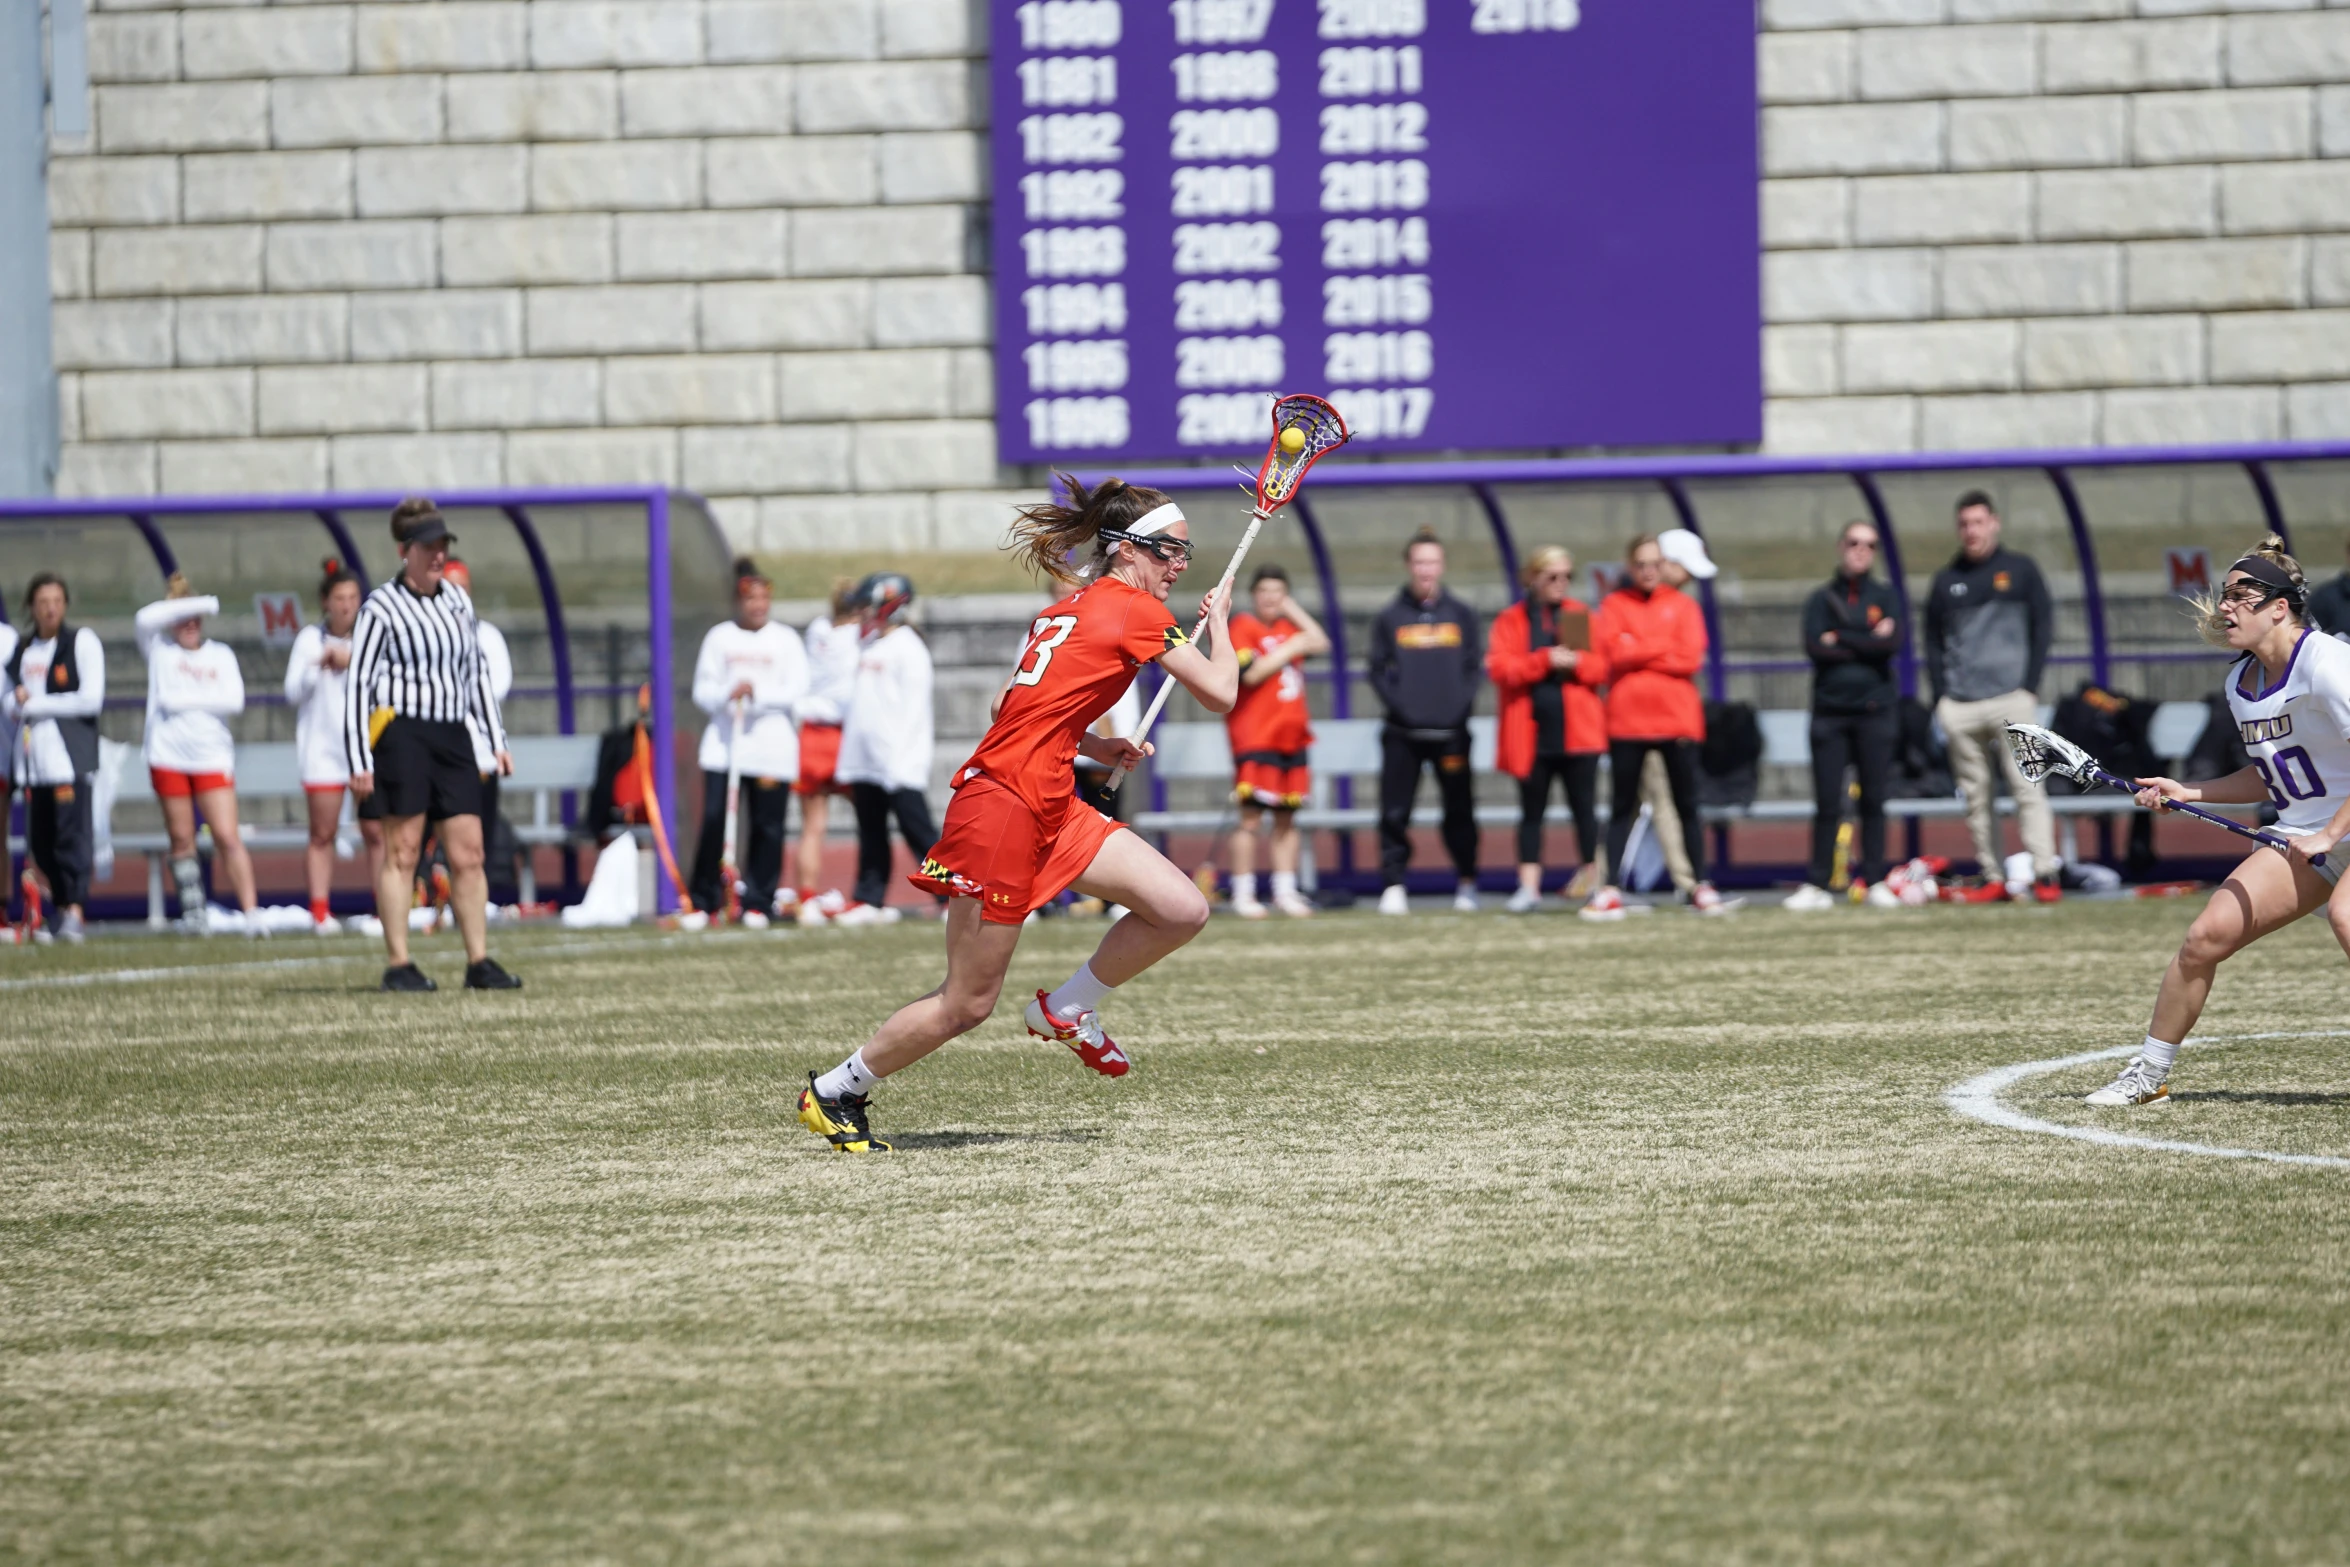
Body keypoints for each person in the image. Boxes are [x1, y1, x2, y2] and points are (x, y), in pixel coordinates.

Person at [796, 477, 1239, 1153]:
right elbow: (1222, 692)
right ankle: (836, 1089)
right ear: (1125, 552)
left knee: (1181, 908)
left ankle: (1065, 1005)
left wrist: (1093, 743)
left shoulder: (1067, 609)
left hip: (1052, 798)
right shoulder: (1136, 611)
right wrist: (1224, 622)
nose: (1179, 566)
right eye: (1167, 552)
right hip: (1003, 805)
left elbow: (1009, 704)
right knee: (966, 1003)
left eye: (1185, 553)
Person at [2091, 538, 2350, 1106]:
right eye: (2224, 594)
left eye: (2240, 595)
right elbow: (2272, 775)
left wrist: (2331, 836)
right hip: (2309, 833)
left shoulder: (2328, 661)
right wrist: (2188, 790)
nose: (2224, 606)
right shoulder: (2241, 684)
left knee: (2347, 915)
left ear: (2279, 607)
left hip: (2331, 831)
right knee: (2205, 938)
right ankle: (2148, 1077)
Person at [345, 497, 520, 992]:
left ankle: (478, 961)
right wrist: (359, 758)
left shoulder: (457, 601)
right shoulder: (381, 607)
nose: (438, 555)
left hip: (452, 735)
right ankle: (399, 962)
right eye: (429, 546)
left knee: (469, 852)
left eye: (443, 545)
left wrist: (494, 737)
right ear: (407, 550)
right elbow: (359, 684)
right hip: (402, 734)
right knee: (402, 851)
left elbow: (475, 673)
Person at [1583, 535, 1729, 919]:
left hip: (1674, 720)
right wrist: (1657, 648)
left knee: (1684, 805)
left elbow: (1688, 657)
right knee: (1620, 806)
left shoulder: (1683, 606)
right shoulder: (1612, 605)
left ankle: (1698, 884)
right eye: (1641, 564)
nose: (1649, 571)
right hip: (1624, 722)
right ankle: (1606, 885)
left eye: (1655, 563)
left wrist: (1639, 648)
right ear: (1629, 566)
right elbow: (1610, 651)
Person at [1926, 490, 2059, 903]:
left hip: (2011, 699)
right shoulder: (1946, 581)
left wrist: (2029, 686)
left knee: (2027, 789)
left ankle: (2045, 873)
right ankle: (1992, 874)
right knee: (1975, 796)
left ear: (1994, 523)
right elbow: (1931, 643)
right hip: (1961, 705)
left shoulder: (2020, 570)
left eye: (1978, 522)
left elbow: (2043, 626)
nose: (1972, 531)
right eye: (1964, 524)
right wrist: (1941, 698)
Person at [1787, 521, 1905, 912]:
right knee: (1827, 802)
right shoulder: (1821, 599)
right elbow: (1815, 648)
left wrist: (1842, 636)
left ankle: (1873, 879)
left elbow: (1891, 645)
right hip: (1830, 714)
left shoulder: (1886, 596)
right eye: (1854, 543)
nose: (1861, 551)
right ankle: (1818, 883)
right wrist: (1867, 637)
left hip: (1875, 712)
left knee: (1874, 799)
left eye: (1869, 545)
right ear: (1841, 546)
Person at [135, 577, 261, 934]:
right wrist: (193, 603)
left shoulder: (220, 654)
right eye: (183, 616)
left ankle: (251, 913)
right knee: (181, 837)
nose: (190, 624)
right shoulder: (160, 649)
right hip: (168, 756)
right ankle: (194, 914)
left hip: (211, 756)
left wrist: (179, 701)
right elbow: (144, 619)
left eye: (197, 617)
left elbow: (234, 700)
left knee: (226, 834)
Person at [1487, 547, 1609, 914]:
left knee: (1584, 810)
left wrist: (1577, 662)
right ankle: (1529, 887)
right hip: (1531, 733)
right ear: (1533, 578)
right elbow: (1501, 669)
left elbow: (1600, 668)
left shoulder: (1577, 615)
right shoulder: (1513, 620)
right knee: (1531, 812)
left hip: (1579, 733)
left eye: (1566, 577)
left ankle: (1593, 880)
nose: (1560, 584)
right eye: (1552, 577)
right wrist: (1543, 660)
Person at [1368, 528, 1482, 916]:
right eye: (1419, 562)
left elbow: (1473, 668)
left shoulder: (1462, 613)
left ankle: (1467, 883)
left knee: (1460, 812)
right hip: (1404, 734)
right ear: (1408, 566)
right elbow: (1377, 670)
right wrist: (1402, 707)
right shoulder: (1391, 615)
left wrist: (1457, 707)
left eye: (1432, 562)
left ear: (1442, 565)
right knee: (1395, 812)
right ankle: (1394, 885)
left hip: (1452, 734)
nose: (1426, 570)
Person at [688, 558, 807, 926]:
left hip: (770, 748)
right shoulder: (719, 637)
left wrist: (759, 693)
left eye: (763, 599)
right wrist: (729, 692)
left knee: (767, 826)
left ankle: (759, 899)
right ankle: (704, 900)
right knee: (713, 821)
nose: (757, 606)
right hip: (726, 747)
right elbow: (702, 691)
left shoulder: (785, 639)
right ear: (738, 602)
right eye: (750, 599)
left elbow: (797, 688)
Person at [2, 574, 104, 943]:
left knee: (70, 838)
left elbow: (90, 699)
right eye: (43, 601)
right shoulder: (25, 648)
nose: (50, 609)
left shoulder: (81, 642)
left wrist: (36, 704)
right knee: (40, 842)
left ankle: (75, 909)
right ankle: (57, 912)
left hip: (68, 760)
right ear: (32, 606)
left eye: (57, 601)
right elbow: (11, 701)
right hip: (33, 763)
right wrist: (22, 705)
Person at [1224, 564, 1329, 919]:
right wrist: (1289, 649)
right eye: (1265, 591)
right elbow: (1251, 673)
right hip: (1256, 736)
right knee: (1250, 817)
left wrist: (1292, 611)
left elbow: (1321, 640)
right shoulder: (1243, 626)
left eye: (1278, 592)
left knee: (1287, 818)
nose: (1271, 599)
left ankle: (1285, 890)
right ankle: (1243, 891)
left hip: (1292, 736)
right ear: (1253, 595)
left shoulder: (1289, 627)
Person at [835, 572, 935, 928]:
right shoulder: (871, 643)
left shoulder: (908, 647)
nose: (861, 613)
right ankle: (869, 897)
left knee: (920, 834)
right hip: (867, 761)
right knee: (871, 831)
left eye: (866, 606)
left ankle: (952, 893)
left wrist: (901, 759)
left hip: (898, 763)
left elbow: (912, 711)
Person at [286, 560, 377, 934]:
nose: (346, 605)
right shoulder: (309, 639)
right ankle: (320, 912)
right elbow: (292, 692)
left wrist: (351, 661)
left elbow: (386, 681)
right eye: (339, 598)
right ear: (326, 601)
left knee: (376, 833)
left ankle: (383, 909)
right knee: (322, 833)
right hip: (323, 753)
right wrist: (319, 666)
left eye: (353, 597)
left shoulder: (371, 639)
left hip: (365, 752)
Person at [440, 558, 518, 908]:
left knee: (478, 835)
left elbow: (496, 687)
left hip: (481, 756)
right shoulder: (428, 637)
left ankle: (472, 901)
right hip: (438, 753)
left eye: (463, 588)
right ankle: (433, 897)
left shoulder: (487, 637)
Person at [791, 578, 859, 920]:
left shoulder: (818, 630)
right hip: (844, 735)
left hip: (812, 733)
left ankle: (807, 898)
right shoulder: (858, 635)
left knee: (813, 825)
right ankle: (865, 896)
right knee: (869, 818)